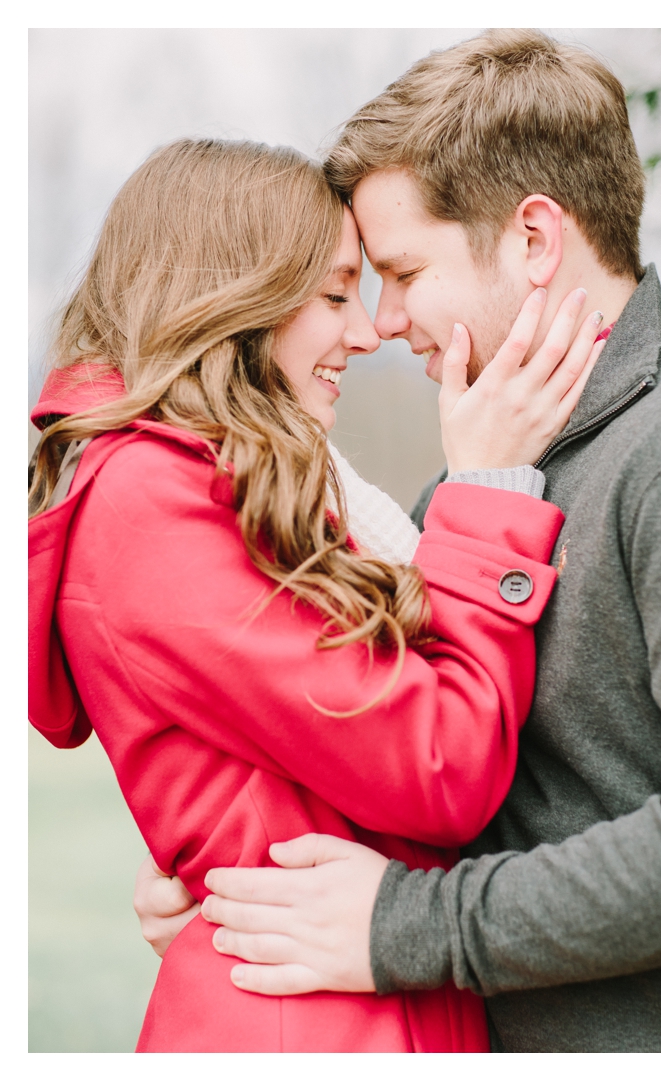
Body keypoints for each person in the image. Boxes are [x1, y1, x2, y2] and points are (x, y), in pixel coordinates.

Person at [134, 30, 661, 1051]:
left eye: (401, 272)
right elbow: (425, 757)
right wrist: (242, 873)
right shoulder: (469, 472)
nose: (382, 320)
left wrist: (401, 926)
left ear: (534, 240)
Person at [28, 137, 604, 1052]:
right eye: (336, 294)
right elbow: (440, 760)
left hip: (360, 1003)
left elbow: (290, 751)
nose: (368, 330)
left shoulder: (250, 483)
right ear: (235, 298)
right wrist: (488, 491)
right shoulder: (148, 501)